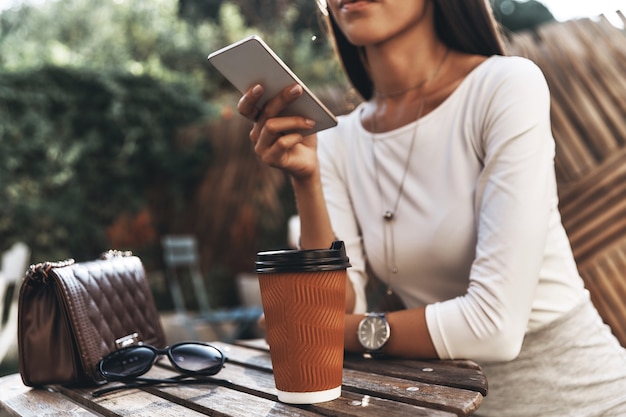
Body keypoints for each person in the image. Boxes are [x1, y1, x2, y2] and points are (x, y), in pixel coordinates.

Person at [237, 0, 626, 415]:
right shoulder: (335, 142)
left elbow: (495, 327)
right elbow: (334, 309)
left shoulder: (505, 86)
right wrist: (306, 180)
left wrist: (335, 331)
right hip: (447, 405)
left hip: (587, 400)